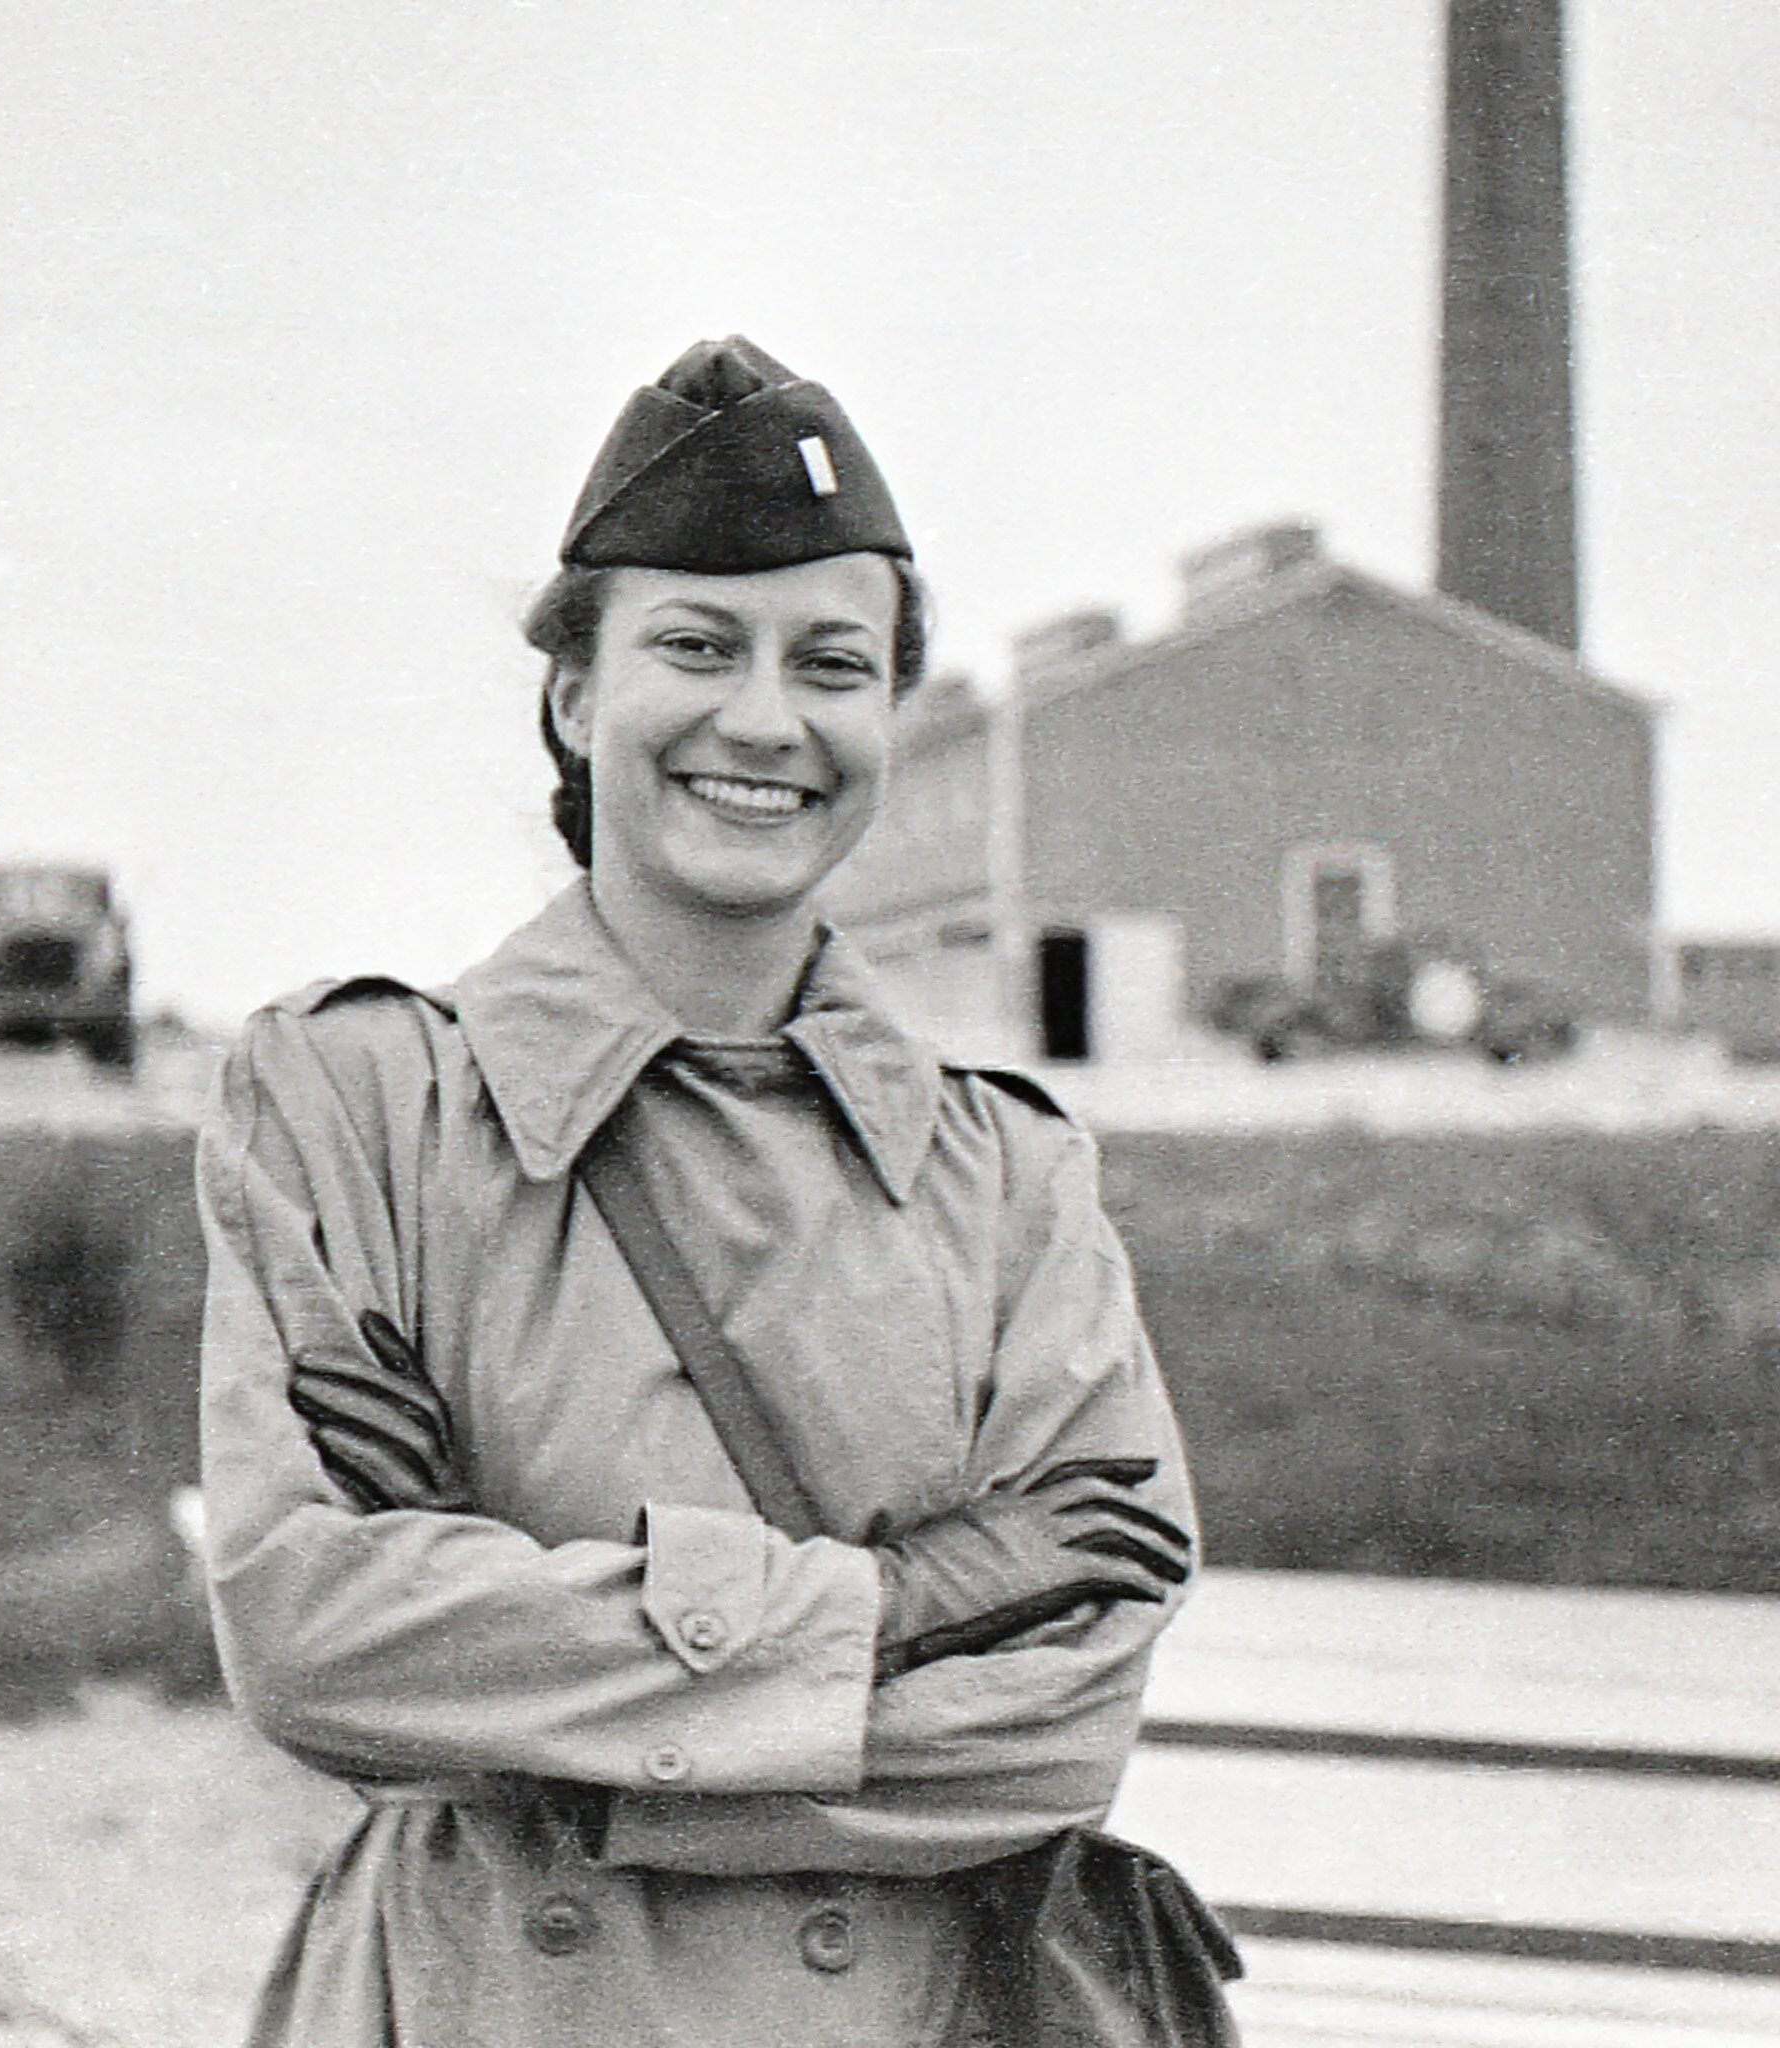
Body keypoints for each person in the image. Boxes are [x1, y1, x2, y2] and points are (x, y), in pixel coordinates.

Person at [198, 337, 1202, 2048]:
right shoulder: (355, 1103)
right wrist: (896, 1610)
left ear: (890, 713)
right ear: (577, 697)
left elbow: (1067, 1720)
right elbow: (313, 1632)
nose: (765, 719)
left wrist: (522, 1690)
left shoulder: (1014, 1176)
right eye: (695, 645)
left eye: (832, 663)